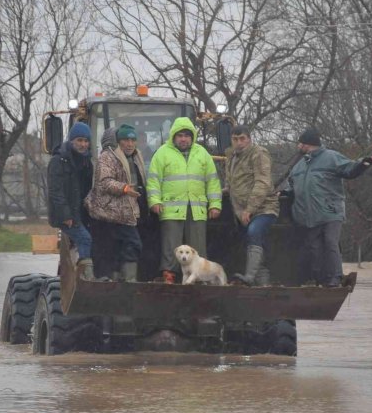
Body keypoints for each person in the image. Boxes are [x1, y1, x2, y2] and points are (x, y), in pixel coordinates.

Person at [287, 126, 372, 287]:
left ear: (307, 144)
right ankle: (318, 279)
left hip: (330, 212)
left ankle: (335, 277)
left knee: (330, 242)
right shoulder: (299, 166)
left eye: (300, 143)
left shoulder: (331, 157)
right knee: (313, 247)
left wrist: (364, 163)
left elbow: (350, 169)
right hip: (309, 215)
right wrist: (285, 194)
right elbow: (292, 187)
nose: (298, 146)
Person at [147, 117, 222, 284]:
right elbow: (153, 180)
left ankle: (200, 277)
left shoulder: (202, 153)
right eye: (180, 135)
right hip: (170, 208)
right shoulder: (162, 153)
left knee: (197, 247)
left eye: (187, 135)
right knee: (171, 246)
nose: (183, 139)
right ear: (173, 136)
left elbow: (212, 181)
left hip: (197, 208)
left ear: (192, 137)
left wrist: (215, 204)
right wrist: (154, 201)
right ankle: (169, 275)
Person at [85, 124, 147, 281]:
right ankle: (121, 280)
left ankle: (123, 280)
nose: (130, 143)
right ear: (118, 142)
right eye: (126, 139)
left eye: (133, 140)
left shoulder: (135, 157)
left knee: (127, 246)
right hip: (108, 211)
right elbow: (104, 182)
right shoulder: (107, 157)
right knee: (120, 247)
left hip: (127, 212)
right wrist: (125, 188)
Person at [224, 124, 279, 286]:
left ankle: (249, 277)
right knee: (250, 241)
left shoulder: (258, 154)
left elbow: (262, 182)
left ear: (249, 139)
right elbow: (231, 184)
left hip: (264, 208)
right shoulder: (231, 157)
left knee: (254, 233)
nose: (239, 142)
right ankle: (263, 283)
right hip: (241, 211)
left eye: (242, 139)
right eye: (235, 139)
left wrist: (250, 209)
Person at [47, 121, 95, 280]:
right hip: (66, 215)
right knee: (84, 238)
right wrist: (66, 215)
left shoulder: (87, 161)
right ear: (71, 140)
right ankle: (85, 277)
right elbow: (56, 191)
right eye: (79, 140)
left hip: (81, 212)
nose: (83, 144)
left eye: (86, 141)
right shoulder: (59, 161)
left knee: (90, 238)